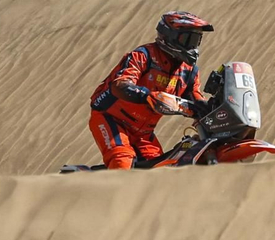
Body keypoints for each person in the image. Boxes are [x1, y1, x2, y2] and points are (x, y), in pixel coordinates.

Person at [87, 11, 215, 169]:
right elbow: (120, 85)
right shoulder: (144, 56)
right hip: (110, 119)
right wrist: (147, 96)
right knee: (122, 162)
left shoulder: (189, 72)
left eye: (196, 41)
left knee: (162, 170)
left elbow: (197, 101)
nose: (193, 47)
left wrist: (215, 108)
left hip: (143, 134)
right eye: (188, 39)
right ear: (170, 36)